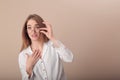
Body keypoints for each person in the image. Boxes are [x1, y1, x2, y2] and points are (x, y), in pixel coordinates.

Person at [18, 14, 73, 80]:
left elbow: (69, 58)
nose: (33, 31)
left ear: (42, 28)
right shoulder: (23, 55)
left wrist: (52, 38)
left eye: (37, 27)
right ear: (26, 31)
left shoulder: (53, 45)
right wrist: (28, 69)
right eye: (29, 27)